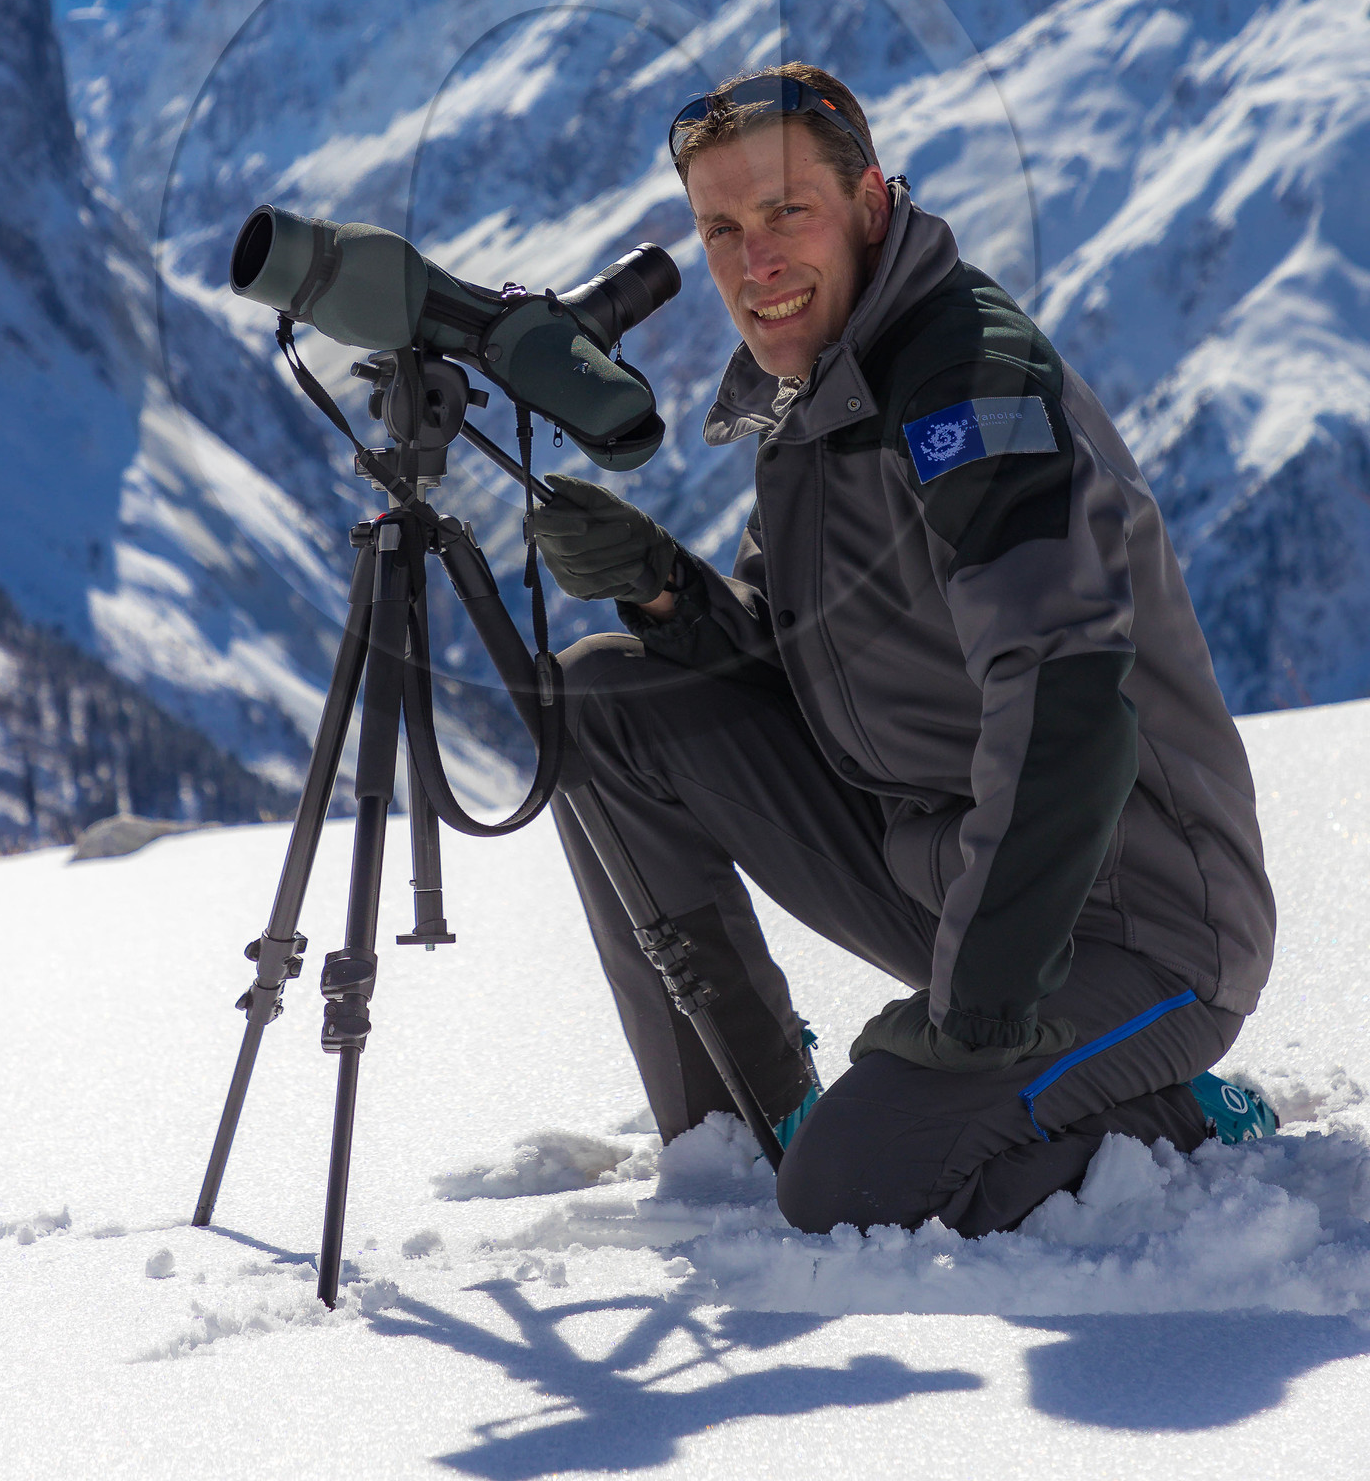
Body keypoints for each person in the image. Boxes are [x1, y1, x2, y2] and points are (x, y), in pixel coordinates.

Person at [532, 64, 1277, 1239]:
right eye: (721, 228)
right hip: (943, 869)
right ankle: (741, 1122)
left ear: (871, 204)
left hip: (1134, 919)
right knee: (600, 700)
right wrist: (665, 591)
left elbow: (1064, 689)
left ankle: (1177, 1111)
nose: (752, 261)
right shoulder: (818, 396)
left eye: (787, 213)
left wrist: (980, 1003)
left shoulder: (965, 387)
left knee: (856, 1191)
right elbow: (796, 671)